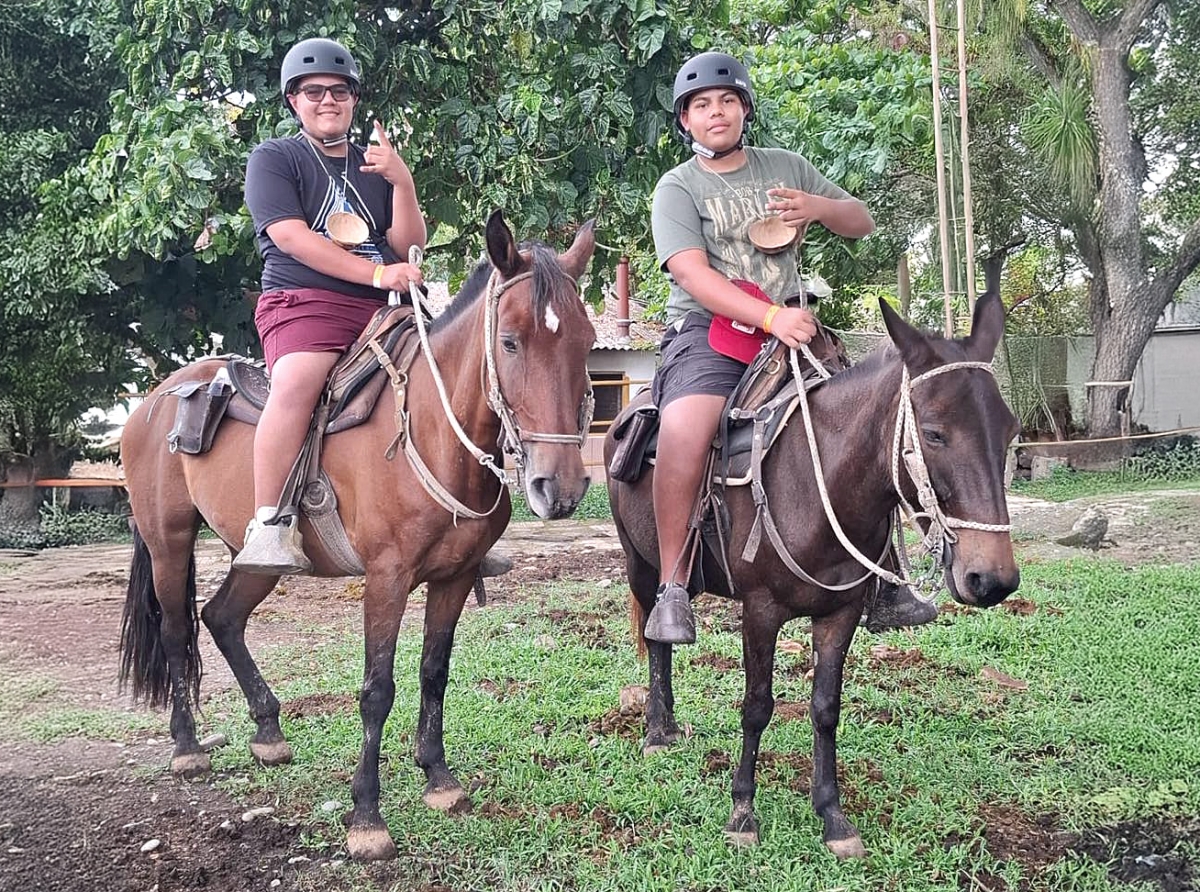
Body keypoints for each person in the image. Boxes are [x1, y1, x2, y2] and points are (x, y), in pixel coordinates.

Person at [642, 51, 937, 644]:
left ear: (745, 109)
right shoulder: (678, 187)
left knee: (873, 420)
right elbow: (693, 275)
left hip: (792, 332)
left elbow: (862, 220)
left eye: (727, 100)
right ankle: (673, 584)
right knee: (685, 427)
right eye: (701, 106)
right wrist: (771, 315)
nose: (716, 112)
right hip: (710, 333)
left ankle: (886, 575)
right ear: (685, 122)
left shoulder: (786, 166)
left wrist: (818, 208)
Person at [234, 37, 428, 574]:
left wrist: (401, 179)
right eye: (313, 91)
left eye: (339, 91)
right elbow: (291, 236)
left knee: (455, 368)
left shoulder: (376, 166)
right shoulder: (274, 158)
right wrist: (376, 272)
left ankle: (465, 514)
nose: (327, 100)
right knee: (297, 382)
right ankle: (268, 523)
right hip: (302, 301)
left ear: (353, 100)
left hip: (379, 308)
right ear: (293, 100)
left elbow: (410, 243)